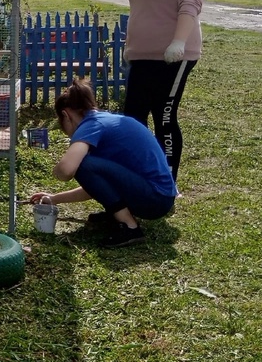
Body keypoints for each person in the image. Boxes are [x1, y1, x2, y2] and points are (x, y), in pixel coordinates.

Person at [29, 79, 177, 247]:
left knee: (83, 164)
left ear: (65, 115)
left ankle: (129, 227)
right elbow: (98, 185)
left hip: (154, 197)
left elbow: (66, 171)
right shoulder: (104, 119)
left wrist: (56, 171)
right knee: (85, 165)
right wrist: (55, 199)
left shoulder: (91, 125)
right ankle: (117, 215)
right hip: (160, 196)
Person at [123, 0, 210, 181]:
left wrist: (178, 42)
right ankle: (139, 176)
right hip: (143, 57)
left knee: (164, 117)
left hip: (172, 57)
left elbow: (190, 5)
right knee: (133, 119)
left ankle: (167, 183)